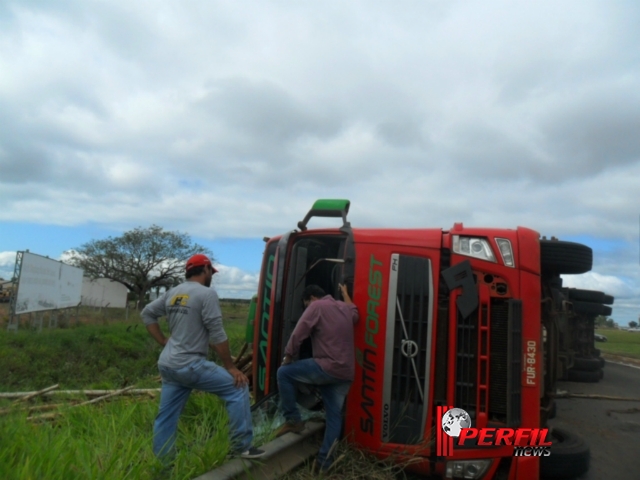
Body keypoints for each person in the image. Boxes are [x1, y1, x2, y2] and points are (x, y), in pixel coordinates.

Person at [141, 253, 264, 464]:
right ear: (205, 269)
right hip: (190, 365)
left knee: (166, 416)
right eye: (211, 272)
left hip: (168, 366)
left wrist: (163, 342)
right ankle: (241, 447)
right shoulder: (207, 294)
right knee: (238, 387)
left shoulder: (173, 292)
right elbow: (217, 333)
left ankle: (163, 464)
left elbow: (147, 314)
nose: (211, 277)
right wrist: (231, 367)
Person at [276, 283, 359, 472]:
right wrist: (346, 293)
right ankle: (324, 463)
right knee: (334, 417)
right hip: (345, 374)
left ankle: (293, 420)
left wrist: (288, 356)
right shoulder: (344, 308)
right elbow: (356, 312)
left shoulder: (316, 306)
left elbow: (299, 332)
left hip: (327, 367)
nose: (307, 308)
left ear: (311, 298)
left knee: (284, 374)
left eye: (306, 305)